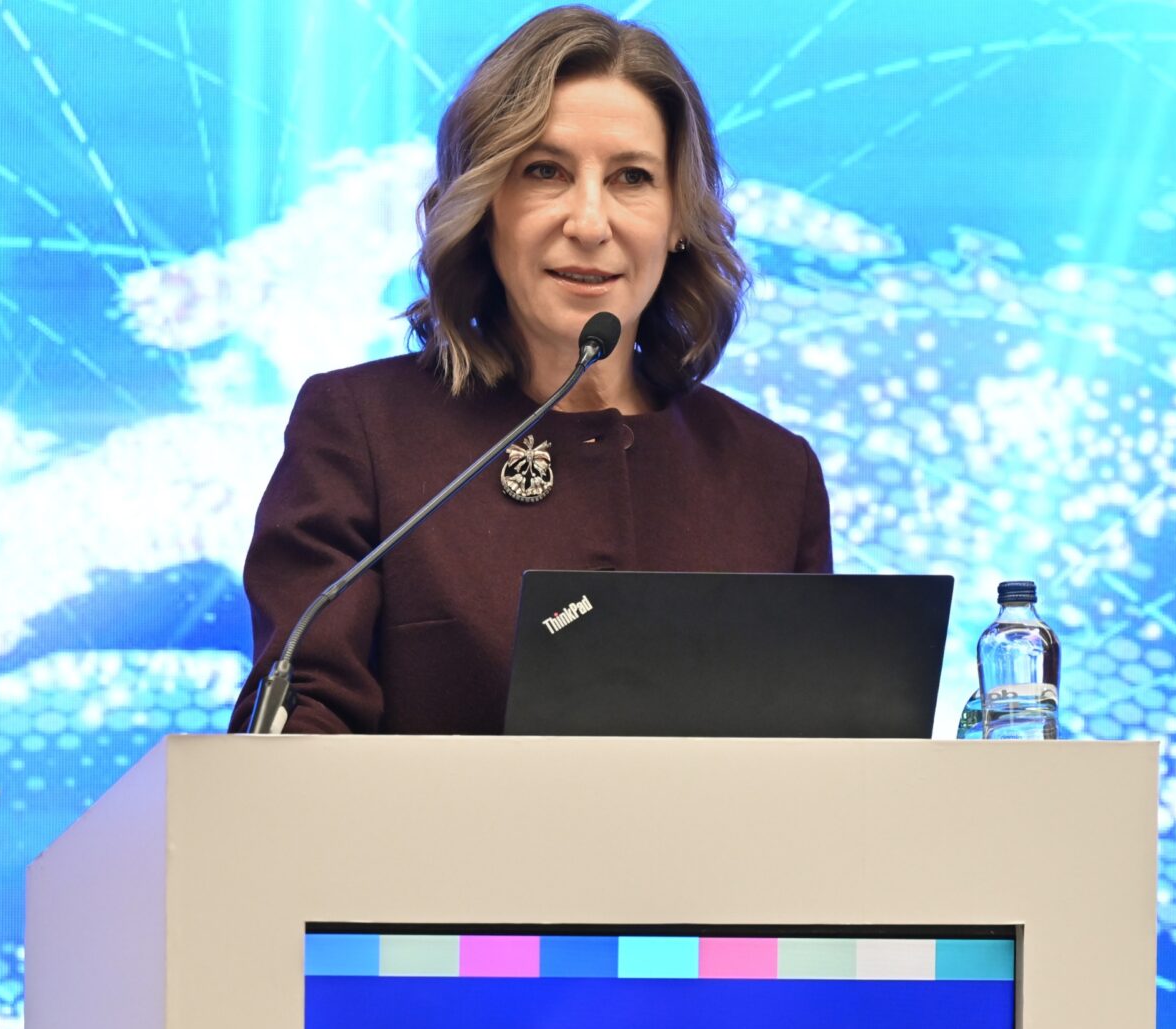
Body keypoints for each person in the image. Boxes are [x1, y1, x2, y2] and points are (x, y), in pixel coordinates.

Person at [230, 5, 834, 735]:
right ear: (486, 203)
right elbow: (302, 720)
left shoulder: (774, 475)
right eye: (545, 172)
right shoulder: (363, 431)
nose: (589, 223)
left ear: (679, 219)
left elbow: (816, 756)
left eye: (633, 178)